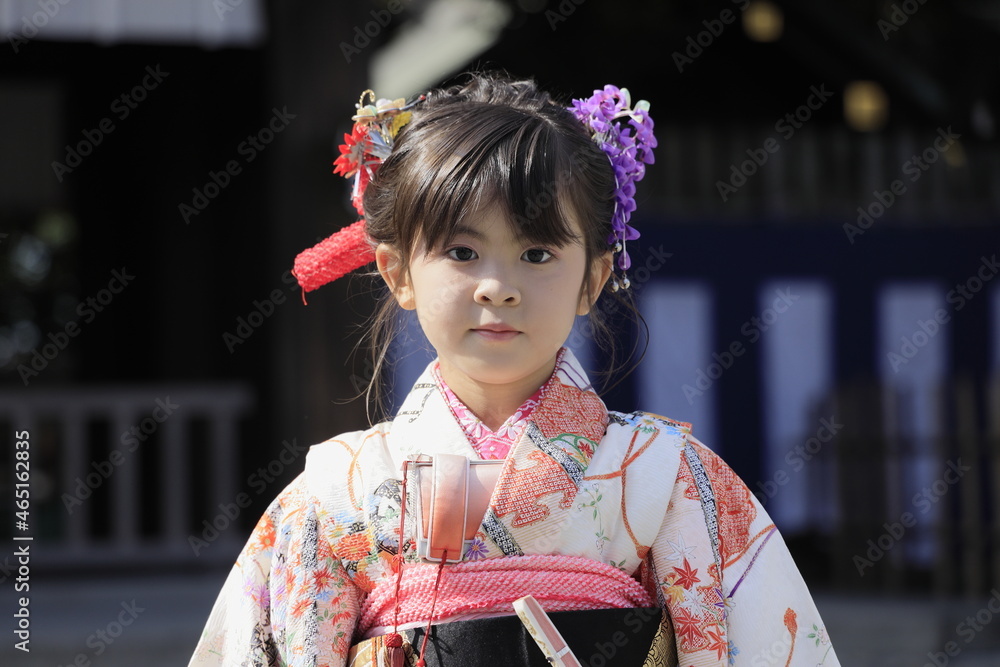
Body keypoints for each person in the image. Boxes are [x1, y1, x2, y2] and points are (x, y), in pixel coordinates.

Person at [189, 73, 839, 667]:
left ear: (594, 277)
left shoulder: (669, 475)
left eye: (536, 251)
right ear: (398, 271)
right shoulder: (335, 492)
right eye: (463, 250)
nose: (498, 286)